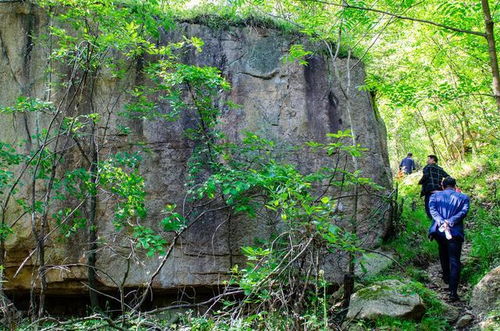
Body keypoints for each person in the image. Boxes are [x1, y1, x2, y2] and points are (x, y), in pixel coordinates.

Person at [428, 177, 469, 301]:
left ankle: (446, 278)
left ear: (442, 185)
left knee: (443, 252)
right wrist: (450, 222)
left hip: (439, 232)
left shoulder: (434, 197)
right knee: (455, 260)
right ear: (455, 186)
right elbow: (463, 212)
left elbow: (433, 211)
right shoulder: (464, 197)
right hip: (455, 232)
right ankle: (453, 292)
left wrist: (442, 222)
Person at [418, 155, 449, 219]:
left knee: (428, 205)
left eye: (428, 159)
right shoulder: (440, 169)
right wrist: (444, 186)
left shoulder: (427, 167)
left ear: (433, 160)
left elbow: (425, 176)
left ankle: (430, 218)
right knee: (438, 205)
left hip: (429, 190)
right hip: (439, 190)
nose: (427, 161)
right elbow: (448, 177)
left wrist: (420, 182)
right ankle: (439, 218)